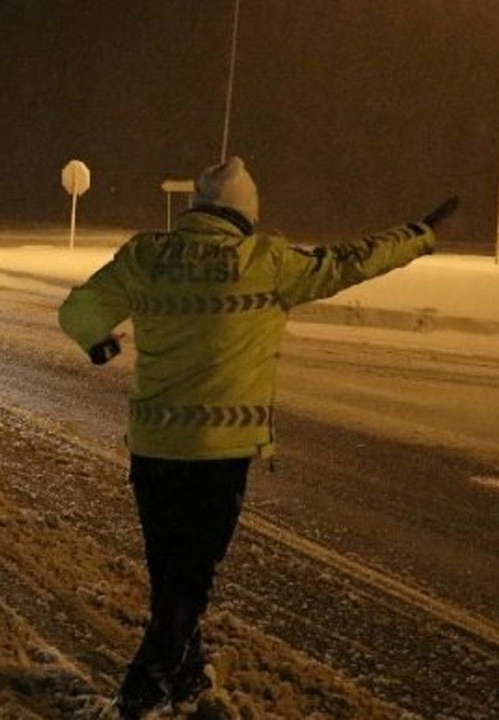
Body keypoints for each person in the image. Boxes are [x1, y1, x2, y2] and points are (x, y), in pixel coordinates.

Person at [58, 156, 458, 718]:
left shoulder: (147, 255)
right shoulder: (266, 261)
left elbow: (78, 309)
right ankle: (142, 690)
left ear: (197, 209)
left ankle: (189, 678)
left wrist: (100, 344)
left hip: (153, 448)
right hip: (218, 454)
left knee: (171, 569)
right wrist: (419, 235)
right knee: (190, 578)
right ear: (246, 215)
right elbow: (352, 261)